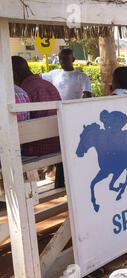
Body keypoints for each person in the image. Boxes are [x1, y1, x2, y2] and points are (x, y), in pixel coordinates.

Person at [11, 56, 64, 187]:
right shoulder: (49, 85)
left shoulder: (23, 90)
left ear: (14, 73)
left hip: (35, 149)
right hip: (59, 144)